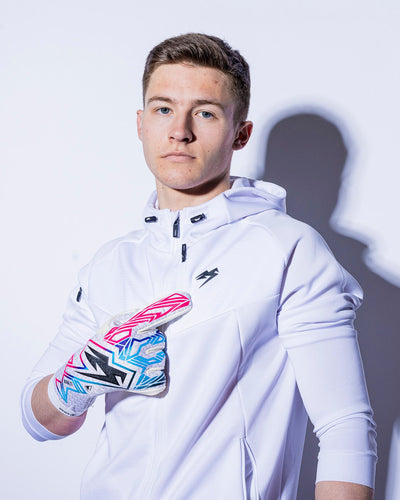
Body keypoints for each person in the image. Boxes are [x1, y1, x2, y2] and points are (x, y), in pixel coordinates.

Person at [21, 33, 377, 499]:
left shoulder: (287, 249)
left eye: (205, 112)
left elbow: (345, 426)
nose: (179, 131)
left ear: (240, 133)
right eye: (163, 109)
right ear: (141, 123)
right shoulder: (111, 262)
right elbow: (38, 422)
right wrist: (82, 376)